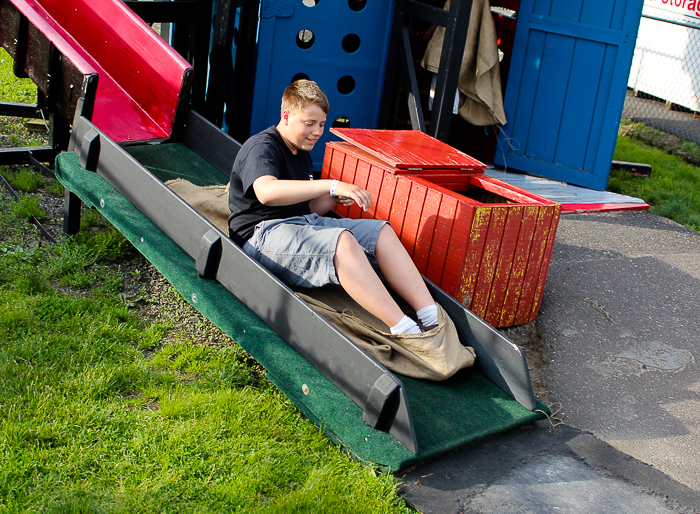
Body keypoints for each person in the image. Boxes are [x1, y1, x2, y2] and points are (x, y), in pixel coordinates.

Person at [228, 80, 438, 335]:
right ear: (286, 116)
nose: (317, 132)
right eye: (309, 123)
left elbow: (307, 209)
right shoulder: (262, 147)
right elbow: (267, 193)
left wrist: (333, 200)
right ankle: (403, 328)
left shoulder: (302, 152)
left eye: (321, 125)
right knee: (343, 241)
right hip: (260, 236)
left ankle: (431, 316)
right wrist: (331, 186)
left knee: (380, 231)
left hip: (299, 225)